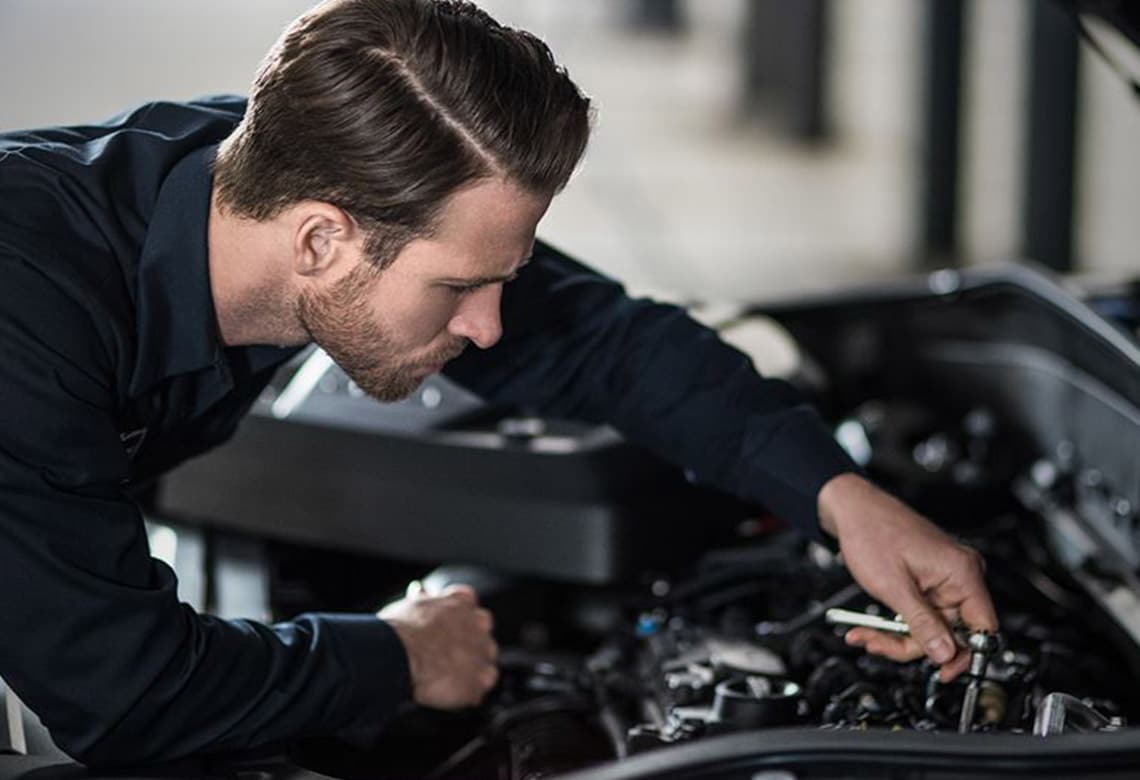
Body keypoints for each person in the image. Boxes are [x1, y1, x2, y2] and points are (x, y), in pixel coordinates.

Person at [0, 0, 995, 767]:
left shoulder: (265, 181)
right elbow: (124, 694)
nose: (485, 326)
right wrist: (398, 655)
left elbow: (606, 343)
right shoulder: (26, 308)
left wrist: (842, 497)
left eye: (500, 281)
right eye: (458, 288)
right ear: (318, 240)